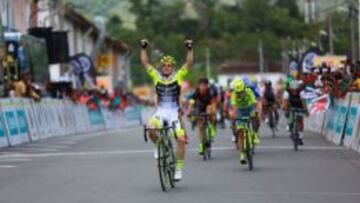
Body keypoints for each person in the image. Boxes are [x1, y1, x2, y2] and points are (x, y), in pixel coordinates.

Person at [140, 39, 194, 181]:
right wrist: (144, 48)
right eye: (164, 65)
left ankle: (179, 169)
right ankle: (158, 145)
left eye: (169, 66)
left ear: (172, 67)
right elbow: (145, 62)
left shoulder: (178, 76)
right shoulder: (156, 76)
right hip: (161, 112)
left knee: (181, 139)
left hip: (174, 114)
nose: (166, 67)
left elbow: (189, 63)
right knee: (150, 128)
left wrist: (189, 49)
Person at [229, 79, 259, 164]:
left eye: (241, 92)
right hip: (240, 110)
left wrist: (255, 112)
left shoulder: (249, 91)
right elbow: (234, 107)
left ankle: (255, 134)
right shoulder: (234, 94)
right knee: (240, 132)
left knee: (255, 117)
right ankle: (242, 153)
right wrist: (234, 116)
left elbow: (254, 103)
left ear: (244, 89)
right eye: (238, 93)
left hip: (249, 108)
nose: (239, 94)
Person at [188, 78, 217, 155]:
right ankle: (201, 143)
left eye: (204, 85)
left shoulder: (210, 92)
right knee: (200, 125)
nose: (202, 87)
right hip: (200, 106)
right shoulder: (196, 92)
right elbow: (191, 102)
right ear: (198, 86)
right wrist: (190, 111)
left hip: (208, 105)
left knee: (211, 111)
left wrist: (213, 112)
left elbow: (213, 103)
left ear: (207, 86)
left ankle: (212, 127)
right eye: (201, 85)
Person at [282, 79, 309, 145]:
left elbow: (303, 102)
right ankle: (290, 126)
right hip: (290, 105)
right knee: (289, 115)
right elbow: (285, 102)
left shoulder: (301, 92)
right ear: (290, 88)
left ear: (298, 88)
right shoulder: (287, 92)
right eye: (292, 90)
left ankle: (301, 136)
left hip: (299, 105)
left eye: (296, 89)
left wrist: (306, 110)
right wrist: (285, 109)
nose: (294, 91)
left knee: (300, 120)